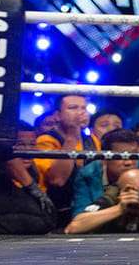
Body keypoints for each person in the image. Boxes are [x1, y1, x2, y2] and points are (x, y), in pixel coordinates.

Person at [33, 94, 101, 226]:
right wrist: (71, 139)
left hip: (88, 206)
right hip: (58, 210)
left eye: (84, 108)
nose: (80, 112)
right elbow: (57, 180)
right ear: (58, 115)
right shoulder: (46, 140)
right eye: (73, 108)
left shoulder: (92, 139)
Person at [72, 128, 139, 216]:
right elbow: (79, 217)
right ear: (104, 158)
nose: (128, 162)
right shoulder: (88, 174)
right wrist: (119, 208)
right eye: (120, 156)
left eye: (133, 155)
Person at [0, 127, 56, 234]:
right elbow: (5, 149)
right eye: (20, 145)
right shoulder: (4, 172)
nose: (26, 150)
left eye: (32, 145)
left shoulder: (36, 171)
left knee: (44, 219)